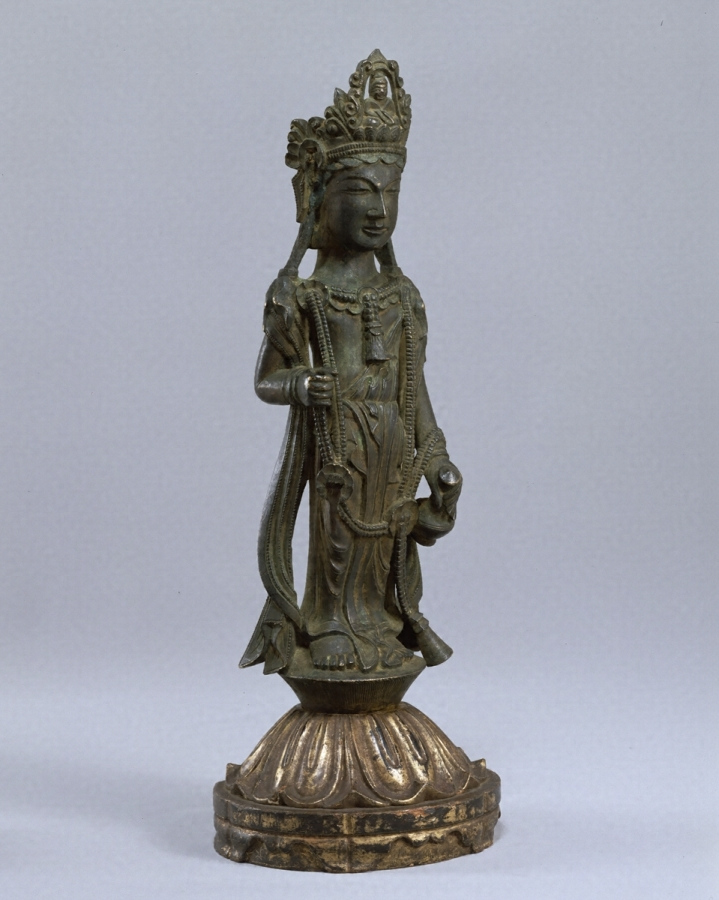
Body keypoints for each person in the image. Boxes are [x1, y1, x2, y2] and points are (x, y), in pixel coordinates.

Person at [240, 52, 462, 676]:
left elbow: (415, 389)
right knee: (337, 540)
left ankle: (383, 624)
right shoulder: (304, 296)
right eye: (361, 191)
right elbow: (265, 379)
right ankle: (331, 623)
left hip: (394, 450)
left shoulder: (403, 297)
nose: (378, 209)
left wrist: (438, 460)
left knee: (386, 540)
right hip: (338, 448)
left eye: (390, 192)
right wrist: (303, 384)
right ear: (320, 199)